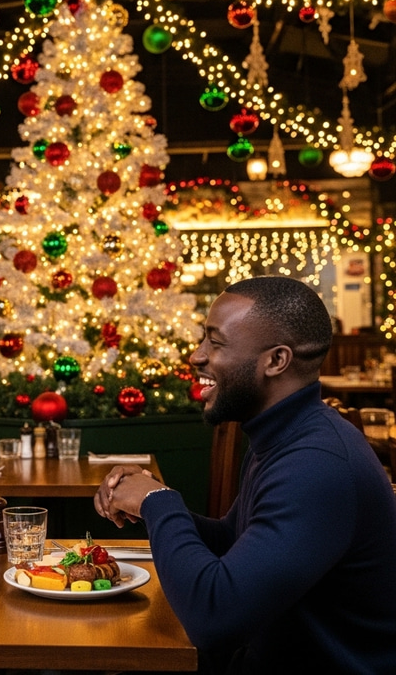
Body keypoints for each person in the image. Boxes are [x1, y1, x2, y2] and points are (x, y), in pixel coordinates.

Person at [94, 276, 396, 674]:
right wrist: (152, 499)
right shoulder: (284, 435)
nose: (196, 356)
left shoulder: (317, 463)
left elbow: (213, 618)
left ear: (275, 361)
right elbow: (236, 542)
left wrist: (157, 502)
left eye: (215, 343)